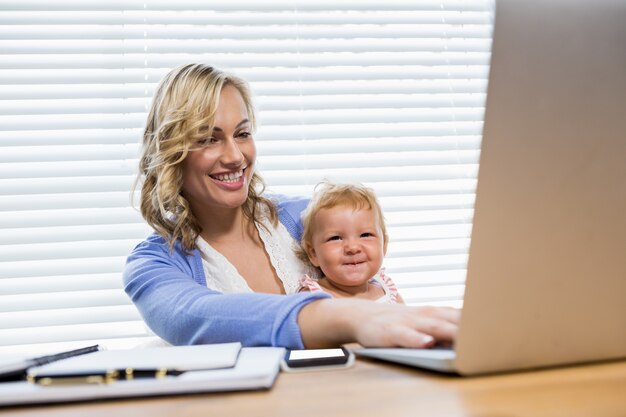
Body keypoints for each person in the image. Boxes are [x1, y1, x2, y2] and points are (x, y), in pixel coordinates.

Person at [123, 63, 460, 350]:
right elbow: (196, 318)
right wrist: (349, 318)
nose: (235, 157)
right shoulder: (151, 267)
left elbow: (374, 287)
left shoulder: (308, 217)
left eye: (242, 134)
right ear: (171, 151)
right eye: (209, 139)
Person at [296, 181, 404, 304]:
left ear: (384, 246)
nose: (353, 247)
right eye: (335, 238)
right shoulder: (313, 297)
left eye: (365, 235)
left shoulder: (388, 291)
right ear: (313, 253)